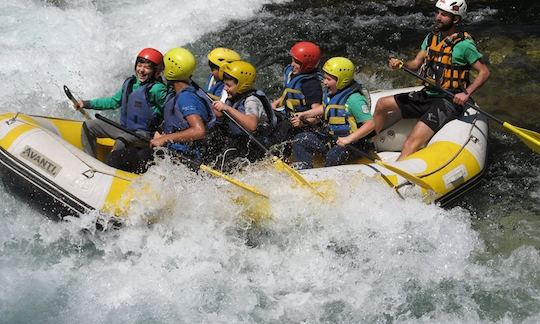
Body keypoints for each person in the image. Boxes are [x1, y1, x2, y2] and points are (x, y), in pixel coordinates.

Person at [373, 0, 490, 160]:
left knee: (411, 142)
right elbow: (415, 64)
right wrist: (401, 64)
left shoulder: (464, 46)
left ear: (455, 19)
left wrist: (466, 94)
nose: (438, 17)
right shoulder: (431, 38)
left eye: (443, 15)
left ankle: (396, 175)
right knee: (382, 104)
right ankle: (371, 144)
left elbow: (484, 72)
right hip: (428, 94)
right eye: (437, 13)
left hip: (449, 101)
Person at [74, 48, 167, 172]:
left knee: (121, 141)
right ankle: (90, 164)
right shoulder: (130, 83)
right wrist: (86, 103)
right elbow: (113, 102)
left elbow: (169, 112)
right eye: (139, 65)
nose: (141, 70)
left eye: (147, 67)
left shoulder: (158, 90)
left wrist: (162, 133)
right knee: (89, 126)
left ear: (156, 72)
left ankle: (109, 173)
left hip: (144, 134)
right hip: (125, 128)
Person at [292, 57, 374, 169]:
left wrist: (348, 139)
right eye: (324, 78)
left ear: (342, 80)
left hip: (353, 144)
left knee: (333, 155)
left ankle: (328, 174)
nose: (324, 82)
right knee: (301, 139)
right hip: (332, 139)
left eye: (328, 79)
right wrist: (305, 114)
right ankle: (304, 169)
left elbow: (370, 124)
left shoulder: (355, 99)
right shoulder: (333, 93)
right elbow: (326, 108)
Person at [150, 47, 216, 165]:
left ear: (171, 71)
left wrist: (164, 139)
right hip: (176, 153)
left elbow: (199, 131)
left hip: (185, 159)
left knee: (120, 157)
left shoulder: (186, 98)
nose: (161, 70)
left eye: (163, 67)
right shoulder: (180, 93)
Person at [208, 60, 277, 170]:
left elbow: (251, 125)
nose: (225, 88)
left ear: (242, 85)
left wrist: (227, 108)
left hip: (258, 144)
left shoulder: (252, 100)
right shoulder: (233, 97)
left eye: (228, 85)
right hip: (240, 140)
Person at [271, 41, 324, 151]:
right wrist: (275, 104)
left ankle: (279, 156)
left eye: (297, 62)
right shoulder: (294, 74)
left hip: (304, 123)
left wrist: (303, 123)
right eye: (293, 60)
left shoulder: (311, 84)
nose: (292, 64)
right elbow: (290, 95)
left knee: (284, 128)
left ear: (308, 65)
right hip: (289, 114)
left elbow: (318, 115)